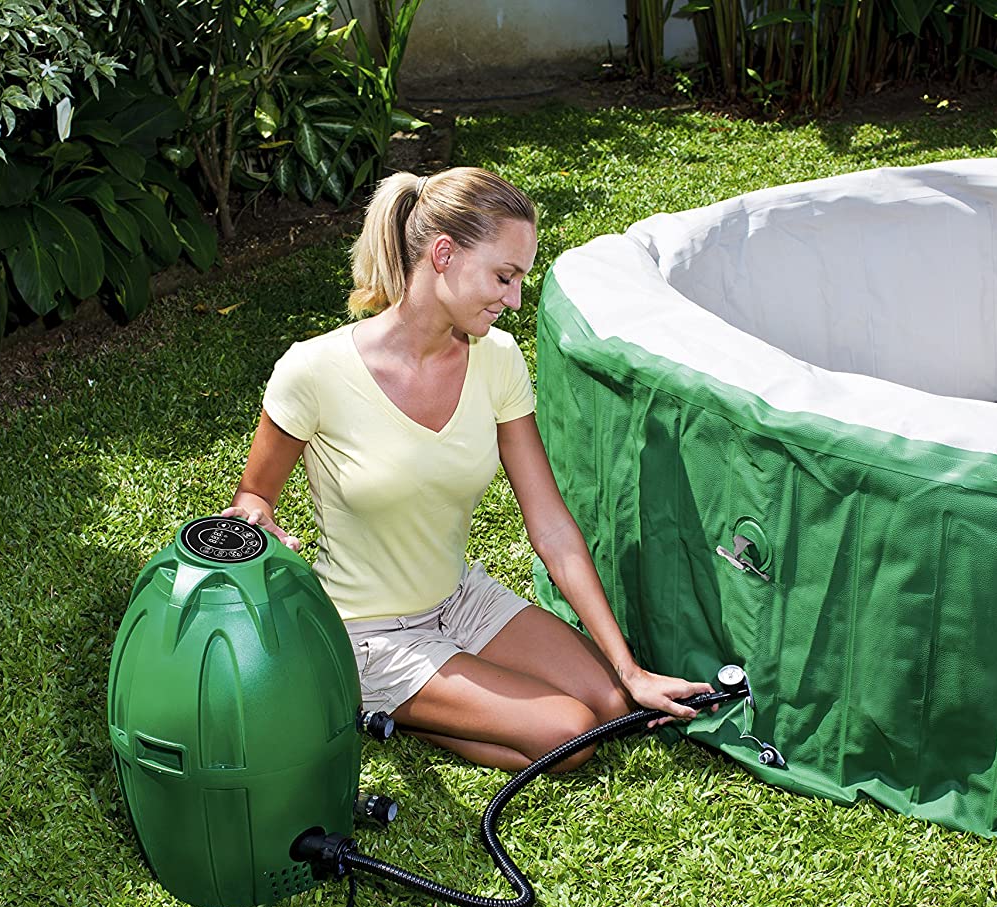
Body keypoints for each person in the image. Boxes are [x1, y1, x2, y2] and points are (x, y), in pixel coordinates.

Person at [222, 166, 712, 773]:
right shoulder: (314, 371)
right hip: (368, 631)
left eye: (521, 280)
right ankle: (382, 703)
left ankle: (440, 692)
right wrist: (257, 522)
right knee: (572, 736)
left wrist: (629, 668)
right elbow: (252, 497)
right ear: (444, 254)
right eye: (505, 277)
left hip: (458, 597)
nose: (514, 300)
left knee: (610, 704)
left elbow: (552, 528)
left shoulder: (497, 361)